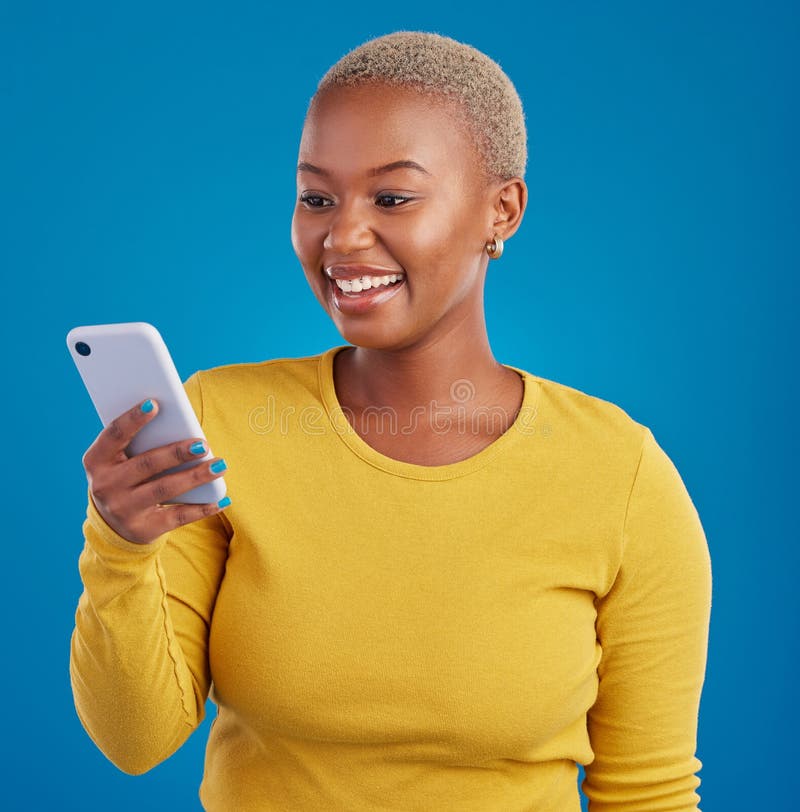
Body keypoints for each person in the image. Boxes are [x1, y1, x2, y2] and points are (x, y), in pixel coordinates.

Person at [70, 31, 712, 811]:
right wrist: (120, 544)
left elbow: (649, 794)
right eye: (317, 198)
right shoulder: (220, 423)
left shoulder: (621, 477)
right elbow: (136, 742)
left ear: (500, 210)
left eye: (393, 197)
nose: (341, 237)